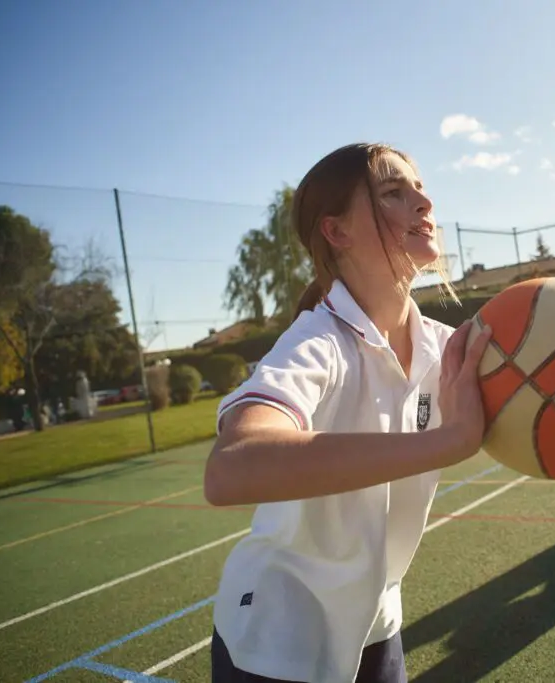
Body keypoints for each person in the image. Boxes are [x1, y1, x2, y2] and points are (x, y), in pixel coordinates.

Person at [203, 142, 493, 683]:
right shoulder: (317, 342)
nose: (424, 203)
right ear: (337, 231)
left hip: (378, 627)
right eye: (392, 193)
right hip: (276, 640)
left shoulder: (446, 348)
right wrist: (446, 441)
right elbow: (230, 468)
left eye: (421, 189)